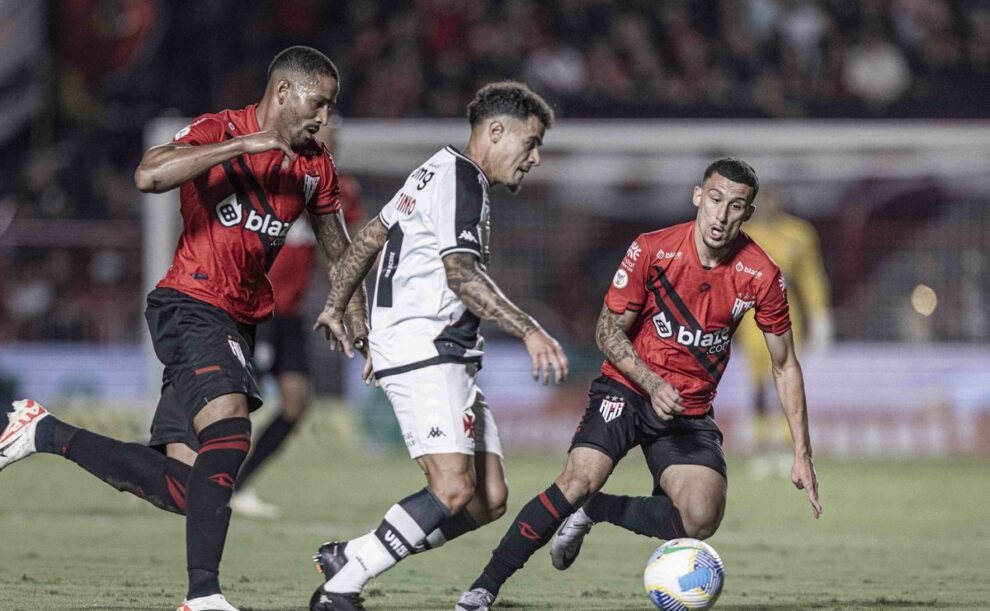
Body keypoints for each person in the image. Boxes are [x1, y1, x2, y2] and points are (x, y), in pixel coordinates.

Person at [0, 46, 367, 611]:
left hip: (241, 319)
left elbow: (338, 248)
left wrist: (354, 315)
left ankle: (43, 432)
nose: (324, 117)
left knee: (186, 486)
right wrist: (244, 145)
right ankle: (204, 597)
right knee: (233, 433)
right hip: (191, 302)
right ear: (284, 92)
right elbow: (149, 175)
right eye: (319, 103)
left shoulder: (315, 164)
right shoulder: (219, 129)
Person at [455, 158, 823, 611]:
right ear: (697, 197)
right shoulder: (653, 249)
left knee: (701, 518)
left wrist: (801, 453)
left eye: (735, 206)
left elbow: (784, 365)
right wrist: (651, 382)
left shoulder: (761, 274)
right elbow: (607, 331)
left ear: (747, 214)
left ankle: (596, 510)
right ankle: (483, 589)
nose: (721, 215)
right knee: (578, 478)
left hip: (688, 407)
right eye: (714, 200)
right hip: (628, 387)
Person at [308, 81, 570, 611]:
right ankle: (339, 589)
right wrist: (528, 329)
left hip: (437, 351)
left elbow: (367, 239)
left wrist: (343, 309)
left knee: (487, 498)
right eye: (532, 142)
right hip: (427, 348)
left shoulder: (435, 169)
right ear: (496, 131)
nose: (536, 158)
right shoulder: (462, 181)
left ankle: (353, 554)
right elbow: (460, 275)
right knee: (452, 490)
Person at [231, 115, 365, 519]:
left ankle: (237, 484)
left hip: (288, 313)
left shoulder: (341, 190)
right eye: (325, 131)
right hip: (253, 306)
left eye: (336, 134)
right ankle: (174, 455)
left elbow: (350, 247)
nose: (333, 138)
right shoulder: (277, 177)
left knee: (295, 404)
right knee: (233, 397)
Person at [732, 186, 832, 476]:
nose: (768, 205)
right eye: (762, 201)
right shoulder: (743, 235)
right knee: (758, 383)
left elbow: (811, 277)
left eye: (773, 199)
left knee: (787, 378)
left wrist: (821, 314)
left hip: (788, 314)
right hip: (751, 317)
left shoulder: (799, 233)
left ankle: (790, 447)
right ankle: (762, 446)